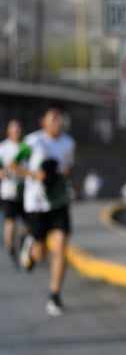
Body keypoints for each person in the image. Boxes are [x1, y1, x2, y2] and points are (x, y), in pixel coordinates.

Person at [11, 106, 76, 316]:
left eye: (60, 117)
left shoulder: (69, 143)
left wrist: (66, 173)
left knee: (61, 248)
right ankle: (30, 245)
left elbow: (68, 168)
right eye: (54, 118)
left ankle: (54, 295)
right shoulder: (33, 142)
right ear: (43, 122)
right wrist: (33, 174)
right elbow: (13, 164)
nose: (58, 121)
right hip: (36, 205)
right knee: (40, 255)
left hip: (58, 203)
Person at [0, 119, 26, 266]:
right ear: (8, 131)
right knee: (10, 222)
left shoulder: (26, 147)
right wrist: (3, 174)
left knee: (27, 223)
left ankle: (23, 242)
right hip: (8, 192)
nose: (16, 131)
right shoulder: (2, 148)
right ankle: (10, 248)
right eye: (13, 129)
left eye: (18, 128)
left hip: (25, 191)